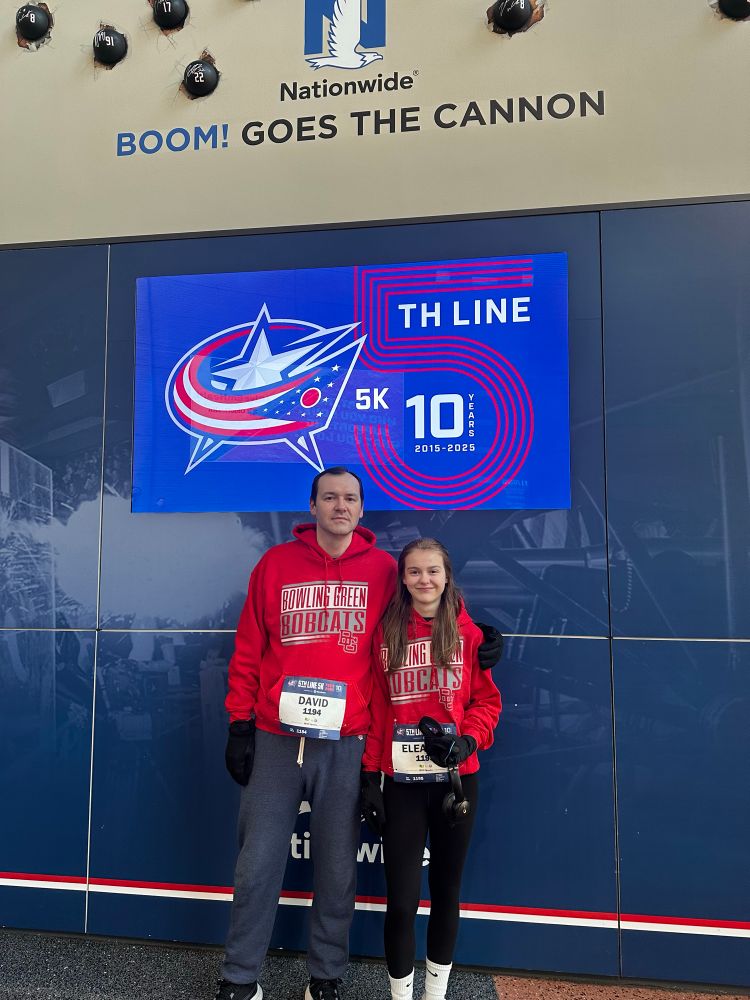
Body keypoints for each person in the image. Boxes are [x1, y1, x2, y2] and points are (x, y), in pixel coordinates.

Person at [217, 469, 504, 1000]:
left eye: (350, 498)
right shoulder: (274, 565)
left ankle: (325, 977)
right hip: (276, 736)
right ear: (312, 506)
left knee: (336, 869)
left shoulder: (383, 571)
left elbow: (431, 604)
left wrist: (481, 634)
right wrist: (239, 723)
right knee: (256, 864)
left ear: (362, 508)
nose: (340, 506)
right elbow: (249, 646)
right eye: (329, 497)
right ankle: (239, 979)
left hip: (349, 742)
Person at [361, 538, 502, 1000]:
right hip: (401, 785)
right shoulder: (386, 634)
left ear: (447, 576)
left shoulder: (470, 636)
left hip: (455, 783)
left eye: (433, 570)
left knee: (445, 893)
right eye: (415, 571)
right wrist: (370, 776)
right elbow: (379, 710)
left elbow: (486, 702)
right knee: (401, 903)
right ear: (403, 579)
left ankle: (434, 995)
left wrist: (468, 741)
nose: (424, 579)